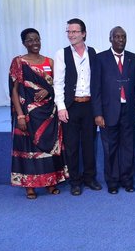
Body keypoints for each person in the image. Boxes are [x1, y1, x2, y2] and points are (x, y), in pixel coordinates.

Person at [9, 28, 68, 199]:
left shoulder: (50, 62)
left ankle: (50, 183)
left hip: (48, 115)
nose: (34, 43)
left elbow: (57, 86)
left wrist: (48, 91)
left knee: (49, 149)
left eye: (37, 39)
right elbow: (14, 91)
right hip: (27, 115)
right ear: (24, 43)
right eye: (30, 40)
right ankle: (30, 186)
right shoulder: (19, 62)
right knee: (30, 151)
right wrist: (20, 115)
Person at [91, 26, 135, 194]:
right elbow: (96, 88)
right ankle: (113, 182)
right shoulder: (100, 59)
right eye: (117, 37)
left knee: (128, 147)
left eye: (123, 37)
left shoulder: (134, 59)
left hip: (129, 110)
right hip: (107, 112)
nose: (121, 40)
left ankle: (127, 181)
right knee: (110, 148)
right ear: (111, 39)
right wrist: (97, 113)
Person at [54, 18, 102, 196]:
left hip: (89, 106)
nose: (71, 35)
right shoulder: (62, 54)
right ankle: (75, 181)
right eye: (68, 31)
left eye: (74, 31)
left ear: (84, 33)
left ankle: (89, 178)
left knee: (89, 144)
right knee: (72, 146)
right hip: (71, 106)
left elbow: (98, 81)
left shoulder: (95, 52)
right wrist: (61, 107)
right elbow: (58, 83)